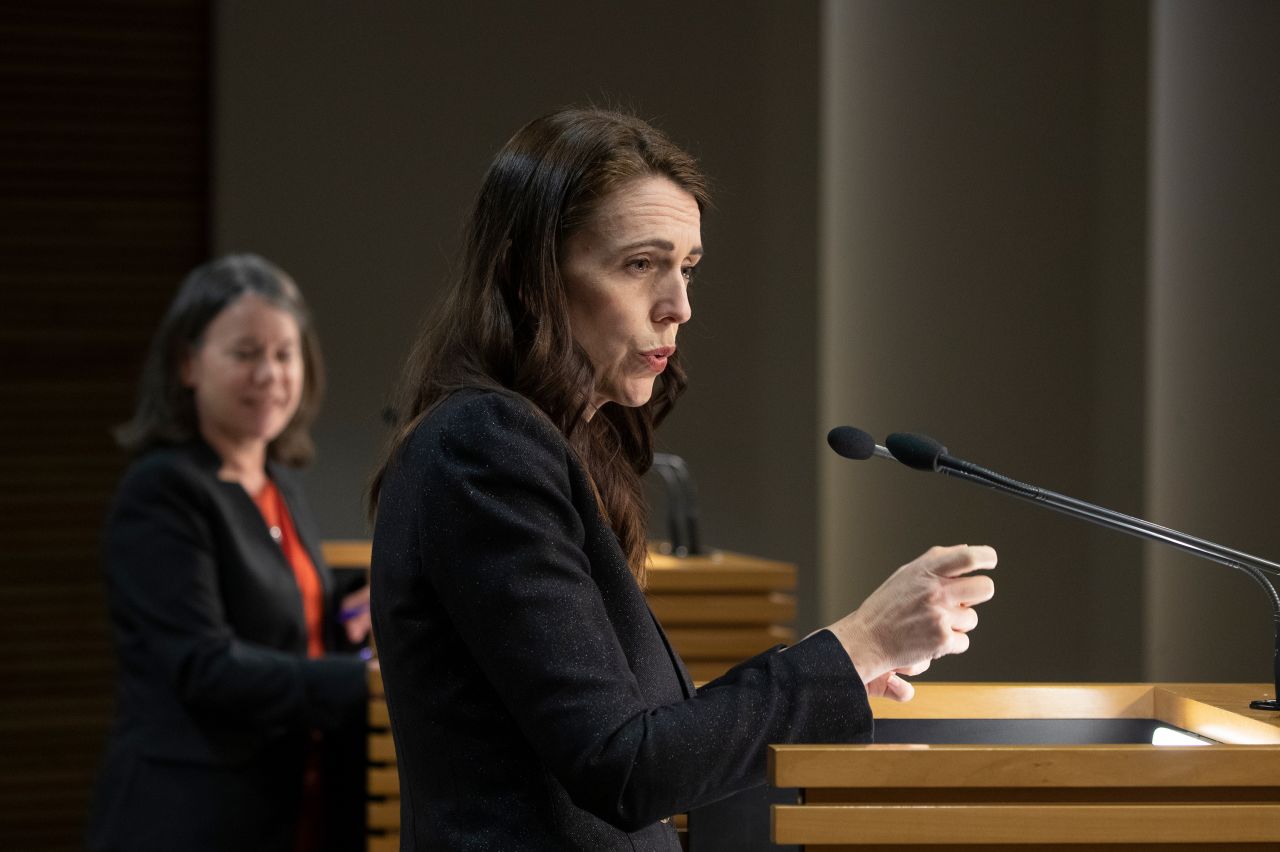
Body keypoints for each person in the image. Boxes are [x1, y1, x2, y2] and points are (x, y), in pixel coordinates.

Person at [368, 108, 997, 851]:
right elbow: (624, 766)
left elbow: (653, 733)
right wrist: (858, 642)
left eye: (688, 268)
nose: (679, 307)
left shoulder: (551, 447)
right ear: (525, 272)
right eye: (641, 265)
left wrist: (837, 668)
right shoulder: (483, 448)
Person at [87, 254, 372, 852]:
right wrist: (361, 681)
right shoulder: (162, 490)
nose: (270, 374)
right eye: (245, 354)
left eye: (284, 354)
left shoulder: (277, 483)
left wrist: (366, 601)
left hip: (296, 803)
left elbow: (282, 609)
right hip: (191, 818)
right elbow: (202, 665)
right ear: (188, 364)